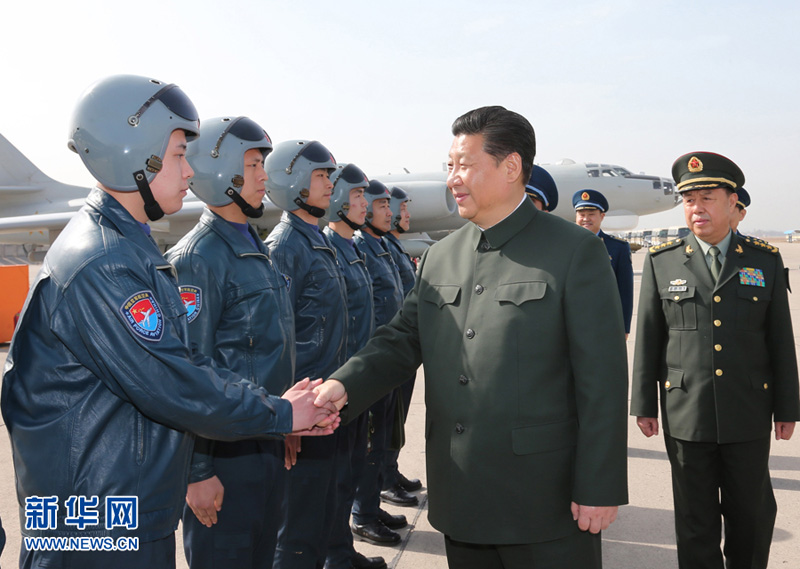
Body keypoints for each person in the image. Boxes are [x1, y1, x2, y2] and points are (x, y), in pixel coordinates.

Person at [0, 75, 335, 569]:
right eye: (179, 154)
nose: (188, 170)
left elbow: (188, 362)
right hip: (96, 525)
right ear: (136, 156)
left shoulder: (129, 249)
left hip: (122, 507)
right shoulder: (105, 262)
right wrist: (282, 414)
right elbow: (176, 382)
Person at [315, 105, 629, 569]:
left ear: (511, 167)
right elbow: (401, 339)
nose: (452, 179)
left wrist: (599, 486)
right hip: (462, 495)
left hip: (545, 499)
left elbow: (602, 381)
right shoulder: (442, 256)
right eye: (449, 166)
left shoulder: (574, 252)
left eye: (464, 165)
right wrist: (341, 386)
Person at [630, 151, 800, 569]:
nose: (697, 208)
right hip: (687, 412)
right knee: (694, 519)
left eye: (707, 197)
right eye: (689, 200)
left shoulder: (764, 259)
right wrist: (643, 406)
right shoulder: (662, 260)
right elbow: (650, 339)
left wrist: (788, 407)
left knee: (753, 515)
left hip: (748, 409)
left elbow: (780, 339)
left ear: (732, 203)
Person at [165, 116, 296, 568]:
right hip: (225, 457)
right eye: (255, 164)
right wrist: (199, 472)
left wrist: (285, 425)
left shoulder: (252, 246)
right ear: (222, 172)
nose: (265, 176)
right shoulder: (197, 258)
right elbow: (189, 370)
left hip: (264, 442)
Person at [264, 140, 350, 569]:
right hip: (303, 410)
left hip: (322, 406)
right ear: (292, 180)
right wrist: (288, 418)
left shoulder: (316, 241)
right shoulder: (284, 247)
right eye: (320, 176)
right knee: (296, 528)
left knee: (319, 514)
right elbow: (280, 336)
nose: (328, 186)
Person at [322, 163, 388, 569]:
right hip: (334, 387)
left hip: (358, 380)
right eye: (359, 196)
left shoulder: (350, 248)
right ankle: (335, 555)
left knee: (348, 474)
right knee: (329, 484)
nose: (363, 204)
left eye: (367, 197)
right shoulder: (324, 248)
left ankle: (340, 553)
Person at [350, 180, 410, 547]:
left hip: (391, 358)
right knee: (369, 446)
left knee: (384, 436)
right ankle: (362, 514)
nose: (393, 212)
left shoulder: (381, 245)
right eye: (384, 205)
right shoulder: (361, 246)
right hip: (373, 361)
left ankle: (371, 506)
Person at [381, 186, 423, 499]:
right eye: (402, 209)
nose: (406, 215)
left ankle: (388, 472)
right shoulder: (378, 246)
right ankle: (379, 482)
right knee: (382, 425)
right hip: (388, 348)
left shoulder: (392, 246)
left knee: (396, 420)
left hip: (400, 349)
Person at [573, 189, 634, 336]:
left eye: (591, 214)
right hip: (572, 323)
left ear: (602, 216)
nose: (586, 218)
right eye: (582, 214)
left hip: (605, 324)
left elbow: (625, 291)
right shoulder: (564, 246)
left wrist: (624, 328)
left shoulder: (618, 248)